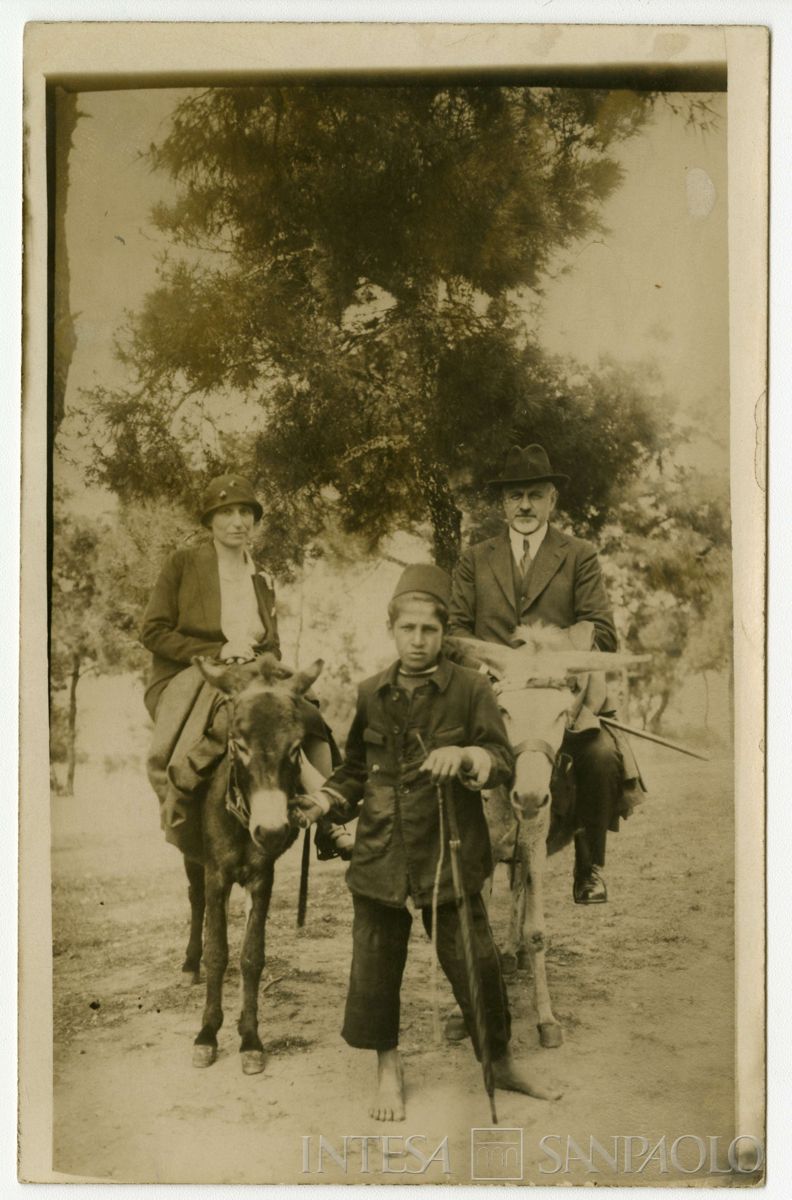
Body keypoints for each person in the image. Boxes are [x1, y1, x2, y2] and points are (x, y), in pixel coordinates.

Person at [294, 564, 561, 1120]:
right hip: (381, 849)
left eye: (429, 630)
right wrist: (322, 802)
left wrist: (466, 756)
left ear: (443, 635)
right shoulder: (371, 692)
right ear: (392, 629)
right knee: (375, 968)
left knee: (477, 963)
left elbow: (501, 760)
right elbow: (355, 770)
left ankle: (500, 1063)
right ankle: (388, 1071)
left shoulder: (473, 689)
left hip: (450, 847)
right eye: (408, 629)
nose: (418, 640)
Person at [449, 444, 643, 904]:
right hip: (493, 692)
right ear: (503, 503)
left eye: (535, 495)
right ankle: (451, 863)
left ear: (552, 499)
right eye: (515, 496)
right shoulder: (475, 558)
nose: (525, 506)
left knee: (600, 756)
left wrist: (551, 655)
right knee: (445, 752)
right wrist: (493, 666)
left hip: (559, 692)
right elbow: (456, 632)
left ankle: (589, 867)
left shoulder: (579, 555)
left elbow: (602, 630)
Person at [140, 473, 352, 862]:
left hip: (253, 673)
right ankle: (181, 807)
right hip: (193, 673)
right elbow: (153, 632)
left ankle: (326, 820)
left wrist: (266, 666)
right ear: (209, 520)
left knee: (307, 714)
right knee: (221, 722)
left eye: (245, 512)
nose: (238, 521)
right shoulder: (183, 564)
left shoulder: (261, 576)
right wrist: (219, 650)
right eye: (226, 512)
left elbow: (272, 644)